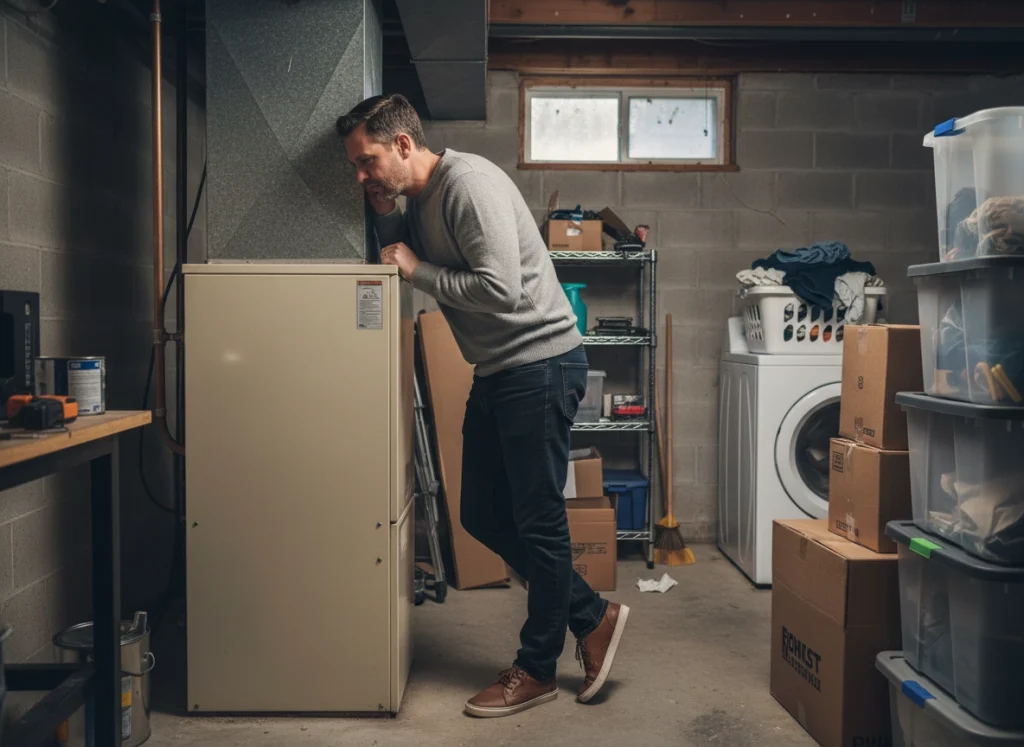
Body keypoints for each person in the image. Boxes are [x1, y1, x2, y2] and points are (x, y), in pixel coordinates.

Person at [337, 94, 630, 717]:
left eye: (367, 162)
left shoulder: (467, 185)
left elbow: (502, 290)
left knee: (540, 521)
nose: (361, 176)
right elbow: (397, 253)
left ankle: (538, 667)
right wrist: (385, 211)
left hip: (541, 364)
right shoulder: (418, 201)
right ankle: (591, 614)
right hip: (500, 370)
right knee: (481, 514)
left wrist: (419, 272)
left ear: (405, 145)